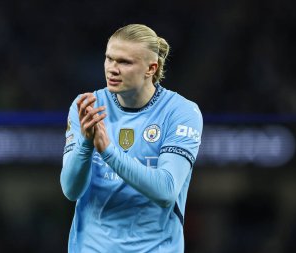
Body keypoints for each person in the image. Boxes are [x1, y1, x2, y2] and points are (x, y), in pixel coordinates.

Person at [60, 24, 203, 253]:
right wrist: (86, 145)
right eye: (109, 59)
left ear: (150, 68)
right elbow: (70, 190)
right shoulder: (88, 106)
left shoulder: (181, 112)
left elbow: (166, 191)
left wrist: (108, 151)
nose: (112, 69)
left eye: (124, 62)